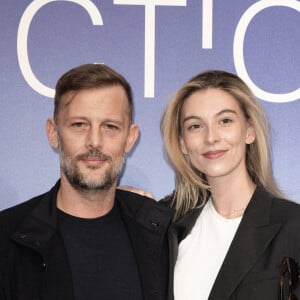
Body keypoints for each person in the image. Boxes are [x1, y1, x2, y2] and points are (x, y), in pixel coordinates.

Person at [121, 70, 300, 299]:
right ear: (183, 143)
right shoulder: (166, 225)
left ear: (249, 130)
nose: (211, 137)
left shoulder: (293, 225)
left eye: (225, 121)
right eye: (195, 126)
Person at [0, 63, 174, 300]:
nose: (95, 141)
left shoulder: (163, 233)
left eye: (110, 127)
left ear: (130, 138)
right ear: (53, 133)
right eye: (79, 125)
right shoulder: (6, 237)